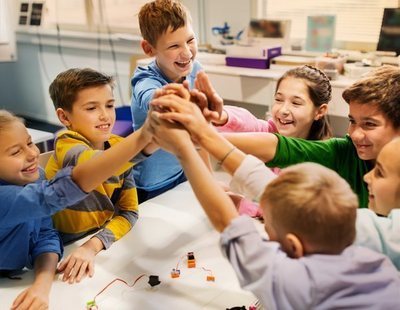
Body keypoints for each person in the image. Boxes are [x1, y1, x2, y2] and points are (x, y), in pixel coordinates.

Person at [148, 111, 400, 309]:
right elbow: (282, 196)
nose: (367, 177)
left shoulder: (289, 281)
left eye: (267, 228)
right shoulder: (378, 262)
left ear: (294, 246)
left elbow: (225, 220)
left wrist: (184, 150)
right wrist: (202, 137)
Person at [157, 65, 400, 209]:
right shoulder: (344, 151)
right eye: (351, 121)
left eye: (369, 124)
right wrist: (203, 131)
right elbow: (277, 146)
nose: (355, 134)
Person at [0, 109, 151, 309]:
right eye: (16, 152)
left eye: (29, 143)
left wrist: (41, 285)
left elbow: (46, 236)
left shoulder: (38, 176)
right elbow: (64, 190)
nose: (32, 154)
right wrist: (145, 139)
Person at [45, 68, 153, 284]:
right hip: (59, 253)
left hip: (96, 245)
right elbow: (96, 165)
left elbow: (129, 212)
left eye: (110, 105)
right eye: (92, 108)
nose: (105, 115)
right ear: (64, 116)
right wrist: (146, 139)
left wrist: (93, 245)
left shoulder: (118, 147)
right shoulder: (66, 144)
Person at [130, 0, 204, 202]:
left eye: (190, 40)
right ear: (148, 48)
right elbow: (151, 97)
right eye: (174, 45)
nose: (187, 53)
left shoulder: (195, 68)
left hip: (183, 169)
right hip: (152, 182)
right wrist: (174, 99)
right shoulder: (144, 79)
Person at [211, 65, 332, 141]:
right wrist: (222, 115)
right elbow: (248, 122)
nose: (283, 110)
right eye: (279, 100)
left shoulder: (321, 155)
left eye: (296, 103)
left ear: (319, 111)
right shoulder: (269, 133)